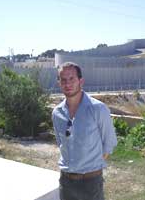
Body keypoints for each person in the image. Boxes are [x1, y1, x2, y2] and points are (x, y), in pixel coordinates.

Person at [52, 62, 117, 200]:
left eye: (71, 79)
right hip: (66, 182)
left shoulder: (98, 109)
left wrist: (91, 168)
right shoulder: (57, 113)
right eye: (63, 80)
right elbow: (61, 143)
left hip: (91, 183)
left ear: (81, 81)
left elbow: (109, 143)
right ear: (59, 83)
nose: (67, 84)